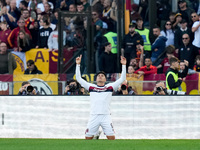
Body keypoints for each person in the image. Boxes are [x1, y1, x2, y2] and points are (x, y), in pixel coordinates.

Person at [75, 55, 126, 140]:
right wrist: (78, 64)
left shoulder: (109, 87)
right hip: (94, 115)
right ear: (96, 79)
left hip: (106, 116)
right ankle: (95, 136)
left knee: (111, 137)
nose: (100, 76)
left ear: (105, 79)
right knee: (88, 138)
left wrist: (123, 65)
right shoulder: (91, 87)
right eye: (99, 76)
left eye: (102, 76)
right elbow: (78, 78)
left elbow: (122, 79)